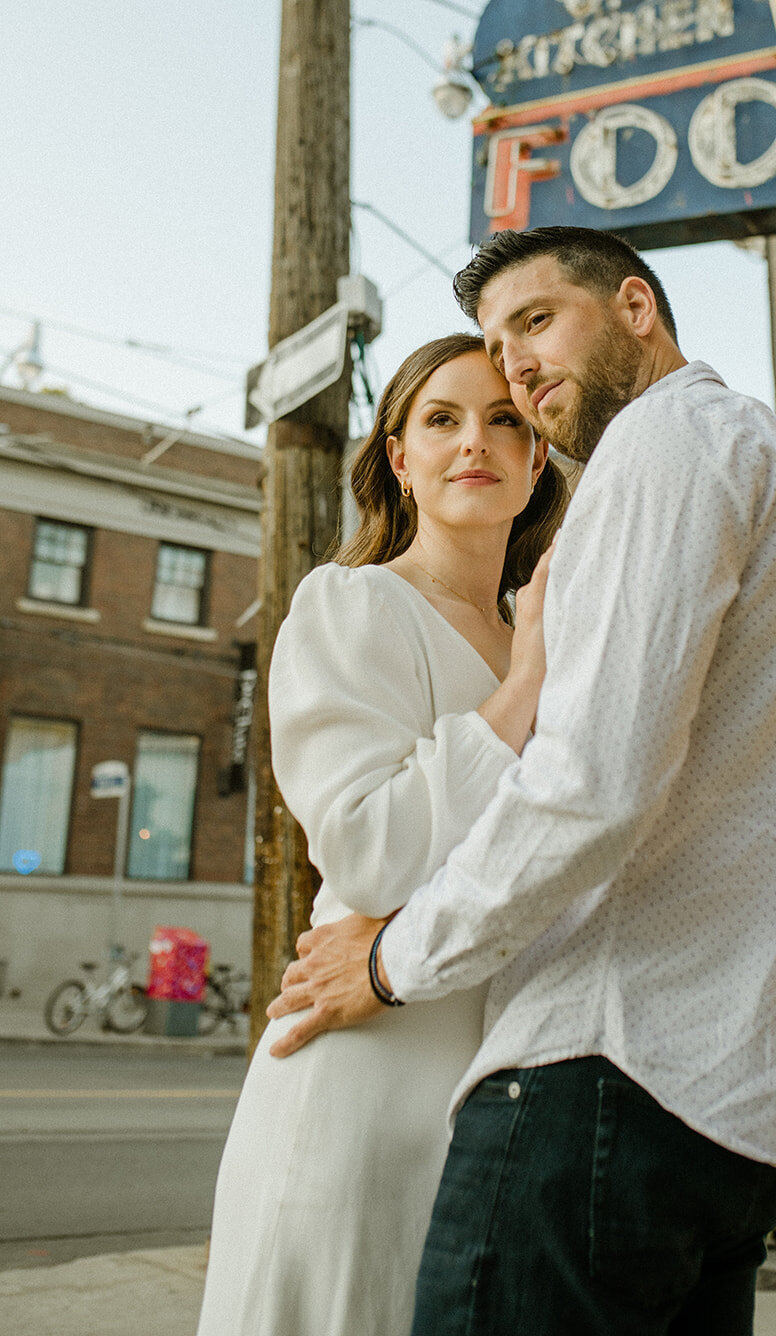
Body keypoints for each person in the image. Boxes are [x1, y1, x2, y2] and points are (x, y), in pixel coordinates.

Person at [269, 226, 776, 1336]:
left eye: (537, 322)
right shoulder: (762, 457)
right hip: (750, 1090)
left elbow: (593, 783)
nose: (517, 365)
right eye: (498, 348)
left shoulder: (661, 448)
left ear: (636, 308)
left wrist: (392, 960)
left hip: (615, 1062)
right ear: (397, 455)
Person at [195, 332, 568, 1336]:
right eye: (440, 419)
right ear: (397, 458)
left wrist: (539, 655)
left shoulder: (559, 640)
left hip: (504, 1086)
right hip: (363, 1077)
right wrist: (523, 682)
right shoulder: (352, 604)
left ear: (538, 459)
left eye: (504, 419)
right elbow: (366, 850)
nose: (473, 442)